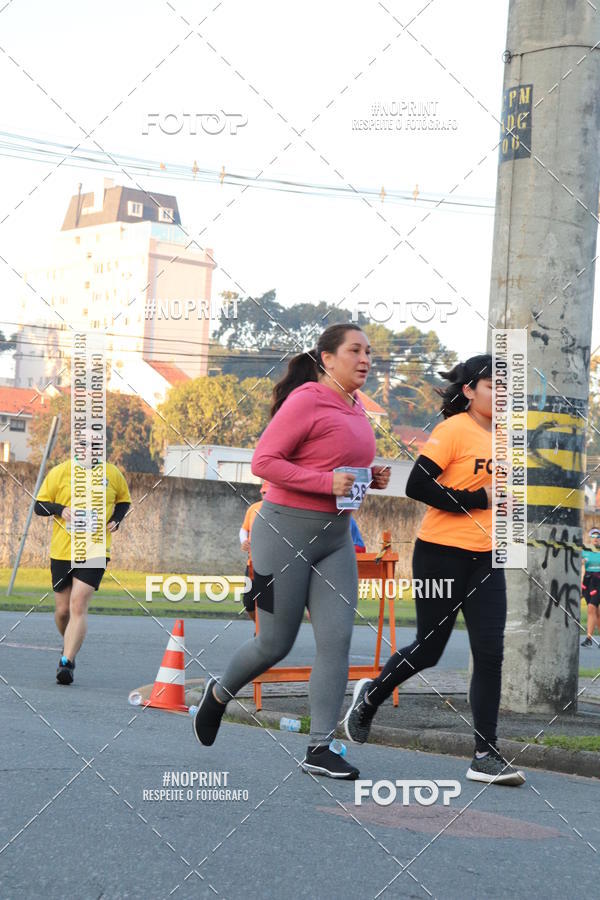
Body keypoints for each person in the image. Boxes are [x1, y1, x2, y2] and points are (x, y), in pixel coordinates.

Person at [193, 323, 390, 779]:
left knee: (337, 640)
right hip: (282, 534)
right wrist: (325, 482)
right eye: (354, 350)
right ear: (327, 358)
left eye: (368, 352)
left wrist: (369, 477)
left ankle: (320, 747)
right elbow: (264, 461)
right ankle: (219, 694)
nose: (365, 359)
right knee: (274, 643)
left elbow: (335, 465)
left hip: (336, 539)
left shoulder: (357, 407)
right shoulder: (306, 400)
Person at [343, 354, 526, 786]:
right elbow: (417, 485)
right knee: (429, 649)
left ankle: (485, 753)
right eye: (492, 386)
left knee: (490, 652)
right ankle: (371, 696)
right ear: (469, 391)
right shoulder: (453, 430)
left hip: (486, 557)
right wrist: (478, 498)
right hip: (440, 554)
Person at [35, 436, 131, 685]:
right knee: (63, 611)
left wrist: (117, 520)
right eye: (86, 444)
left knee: (78, 605)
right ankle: (69, 644)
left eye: (97, 445)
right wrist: (59, 509)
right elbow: (39, 506)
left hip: (96, 549)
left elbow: (124, 501)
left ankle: (66, 662)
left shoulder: (112, 473)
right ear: (77, 447)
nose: (91, 449)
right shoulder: (60, 472)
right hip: (63, 551)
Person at [239, 482, 269, 621]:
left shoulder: (283, 511)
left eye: (269, 492)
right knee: (249, 602)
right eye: (264, 493)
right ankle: (260, 629)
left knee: (268, 603)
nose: (266, 496)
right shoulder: (254, 508)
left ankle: (264, 633)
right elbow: (244, 528)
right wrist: (244, 540)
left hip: (273, 565)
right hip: (252, 563)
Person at [581, 527, 600, 647]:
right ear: (590, 537)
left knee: (591, 609)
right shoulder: (585, 550)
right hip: (587, 582)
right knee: (596, 613)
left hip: (598, 581)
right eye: (593, 536)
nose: (596, 539)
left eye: (598, 536)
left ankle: (588, 638)